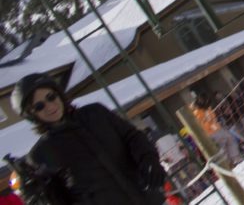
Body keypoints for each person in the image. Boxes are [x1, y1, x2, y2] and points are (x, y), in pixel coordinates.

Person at [11, 73, 166, 205]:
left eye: (51, 97)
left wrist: (149, 159)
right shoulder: (41, 154)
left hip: (148, 198)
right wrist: (38, 195)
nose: (50, 106)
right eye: (39, 106)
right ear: (32, 115)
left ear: (58, 93)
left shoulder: (96, 113)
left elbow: (132, 136)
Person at [188, 91, 241, 166]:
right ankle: (230, 161)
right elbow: (202, 124)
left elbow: (213, 118)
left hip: (216, 130)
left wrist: (215, 123)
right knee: (225, 143)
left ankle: (232, 160)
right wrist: (210, 123)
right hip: (210, 132)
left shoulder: (207, 109)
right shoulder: (197, 113)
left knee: (228, 141)